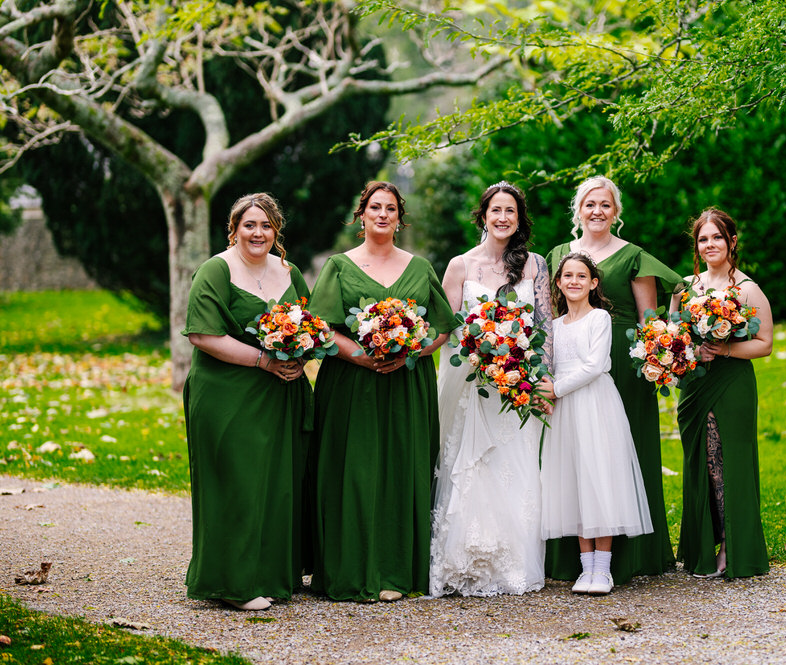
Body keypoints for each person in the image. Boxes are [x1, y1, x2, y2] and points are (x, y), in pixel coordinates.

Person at [309, 181, 453, 602]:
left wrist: (410, 352)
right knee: (354, 470)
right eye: (375, 207)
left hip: (406, 383)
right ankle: (351, 569)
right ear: (362, 214)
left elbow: (443, 327)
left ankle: (396, 570)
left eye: (391, 208)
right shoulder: (339, 266)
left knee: (402, 468)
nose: (383, 214)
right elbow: (320, 328)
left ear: (400, 219)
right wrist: (362, 356)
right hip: (352, 383)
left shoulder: (419, 267)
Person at [545, 176, 681, 583]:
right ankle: (572, 563)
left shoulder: (633, 256)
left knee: (621, 455)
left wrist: (658, 356)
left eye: (605, 204)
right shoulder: (558, 255)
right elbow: (547, 312)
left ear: (616, 211)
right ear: (578, 210)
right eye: (590, 204)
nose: (597, 211)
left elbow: (649, 320)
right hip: (566, 359)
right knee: (574, 459)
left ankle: (630, 558)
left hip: (620, 362)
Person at [182, 193, 313, 611]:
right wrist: (264, 361)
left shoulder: (288, 272)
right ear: (234, 228)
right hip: (227, 394)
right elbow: (203, 335)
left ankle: (270, 576)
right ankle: (233, 583)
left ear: (276, 231)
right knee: (237, 483)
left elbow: (312, 326)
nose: (258, 233)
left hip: (280, 395)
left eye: (266, 226)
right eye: (249, 225)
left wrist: (299, 357)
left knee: (275, 484)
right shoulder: (215, 271)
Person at [429, 181, 553, 597]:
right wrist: (480, 351)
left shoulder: (535, 264)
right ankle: (464, 560)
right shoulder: (460, 265)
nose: (502, 217)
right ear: (483, 216)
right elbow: (447, 327)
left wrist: (542, 377)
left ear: (519, 219)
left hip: (519, 384)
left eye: (510, 211)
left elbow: (544, 326)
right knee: (472, 465)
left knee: (514, 464)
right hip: (473, 383)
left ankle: (512, 561)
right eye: (495, 210)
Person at [535, 252, 653, 595]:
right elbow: (548, 365)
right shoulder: (554, 326)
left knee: (599, 479)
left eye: (581, 276)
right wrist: (544, 388)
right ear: (558, 283)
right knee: (575, 482)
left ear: (593, 283)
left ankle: (603, 569)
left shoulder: (599, 318)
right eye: (568, 276)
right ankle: (585, 569)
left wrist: (556, 388)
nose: (574, 281)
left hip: (595, 405)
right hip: (565, 411)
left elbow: (595, 365)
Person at [670, 207, 773, 578]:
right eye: (703, 239)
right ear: (696, 246)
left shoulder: (747, 289)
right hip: (695, 387)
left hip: (731, 385)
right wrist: (684, 351)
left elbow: (765, 344)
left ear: (732, 241)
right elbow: (673, 336)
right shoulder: (684, 288)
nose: (709, 244)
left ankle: (733, 546)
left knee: (727, 463)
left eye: (717, 237)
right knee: (701, 462)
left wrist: (726, 348)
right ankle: (700, 546)